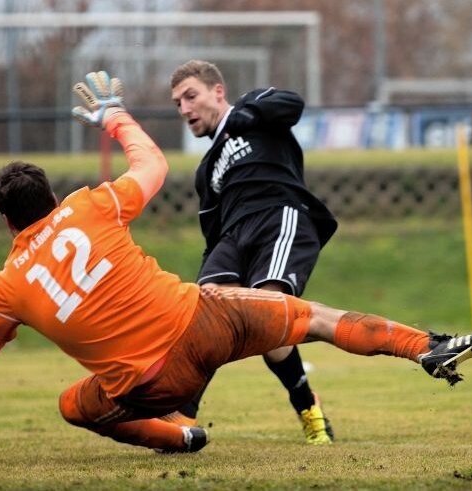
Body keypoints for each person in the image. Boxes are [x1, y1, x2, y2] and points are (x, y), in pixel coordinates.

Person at [0, 71, 472, 456]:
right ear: (53, 199)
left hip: (148, 388)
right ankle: (427, 346)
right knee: (315, 319)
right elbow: (152, 166)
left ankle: (182, 435)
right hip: (201, 324)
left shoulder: (5, 287)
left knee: (73, 406)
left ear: (7, 224)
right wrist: (114, 117)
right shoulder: (90, 207)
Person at [167, 59, 339, 444]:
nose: (184, 109)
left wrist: (247, 115)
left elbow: (292, 104)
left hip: (279, 215)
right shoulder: (206, 170)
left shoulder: (255, 106)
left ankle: (308, 408)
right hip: (232, 238)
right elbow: (212, 231)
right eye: (177, 103)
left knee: (269, 317)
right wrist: (210, 272)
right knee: (204, 320)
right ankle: (182, 418)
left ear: (218, 92)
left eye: (190, 96)